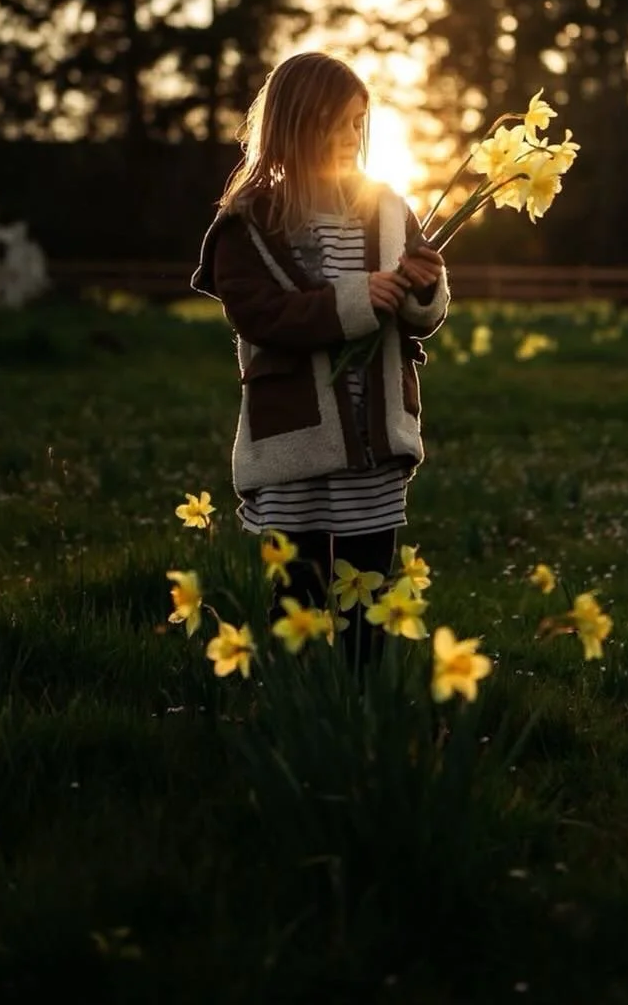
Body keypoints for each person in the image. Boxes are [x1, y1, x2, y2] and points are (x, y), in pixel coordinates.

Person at [189, 52, 449, 665]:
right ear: (291, 125)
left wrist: (421, 290)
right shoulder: (250, 223)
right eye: (332, 123)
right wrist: (356, 300)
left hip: (372, 448)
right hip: (294, 450)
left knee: (367, 609)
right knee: (296, 613)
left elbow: (425, 309)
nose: (347, 138)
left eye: (357, 123)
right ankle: (298, 714)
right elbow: (261, 316)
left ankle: (360, 719)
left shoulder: (387, 207)